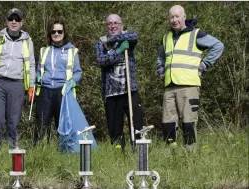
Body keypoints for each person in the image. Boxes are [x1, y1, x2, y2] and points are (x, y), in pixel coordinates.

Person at [156, 5, 224, 152]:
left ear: (184, 17)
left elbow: (218, 46)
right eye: (171, 17)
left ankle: (190, 152)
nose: (174, 20)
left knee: (188, 121)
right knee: (167, 122)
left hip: (189, 86)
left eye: (177, 16)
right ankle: (171, 152)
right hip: (169, 86)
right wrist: (160, 69)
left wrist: (204, 64)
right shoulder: (166, 37)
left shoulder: (196, 34)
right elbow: (160, 57)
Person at [0, 8, 36, 152]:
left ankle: (12, 149)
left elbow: (31, 64)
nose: (14, 21)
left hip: (17, 84)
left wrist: (31, 86)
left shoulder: (27, 41)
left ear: (22, 22)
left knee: (13, 121)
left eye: (17, 19)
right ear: (6, 21)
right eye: (11, 18)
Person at [95, 14, 144, 149]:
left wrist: (117, 38)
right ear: (106, 26)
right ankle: (119, 155)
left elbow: (134, 36)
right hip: (111, 93)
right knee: (114, 129)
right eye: (110, 23)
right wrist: (119, 50)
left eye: (116, 23)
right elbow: (101, 60)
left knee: (137, 124)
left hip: (129, 90)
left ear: (121, 25)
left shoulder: (128, 37)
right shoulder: (101, 42)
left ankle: (139, 151)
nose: (113, 26)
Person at [33, 19, 82, 145]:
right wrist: (37, 77)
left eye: (59, 31)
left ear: (64, 33)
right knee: (42, 123)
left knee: (63, 124)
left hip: (63, 91)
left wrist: (72, 81)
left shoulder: (72, 51)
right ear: (50, 33)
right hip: (45, 90)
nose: (56, 34)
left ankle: (65, 151)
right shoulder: (44, 50)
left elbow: (78, 72)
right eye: (53, 31)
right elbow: (39, 70)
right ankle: (41, 150)